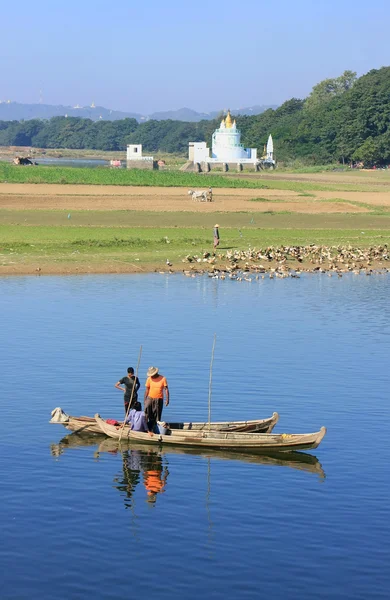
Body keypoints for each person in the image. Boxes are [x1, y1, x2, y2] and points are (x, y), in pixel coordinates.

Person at [144, 366, 169, 433]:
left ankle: (155, 428)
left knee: (157, 414)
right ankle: (146, 427)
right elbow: (147, 390)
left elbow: (166, 389)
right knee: (146, 410)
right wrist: (145, 399)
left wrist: (167, 399)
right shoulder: (149, 379)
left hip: (159, 398)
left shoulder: (163, 378)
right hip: (150, 397)